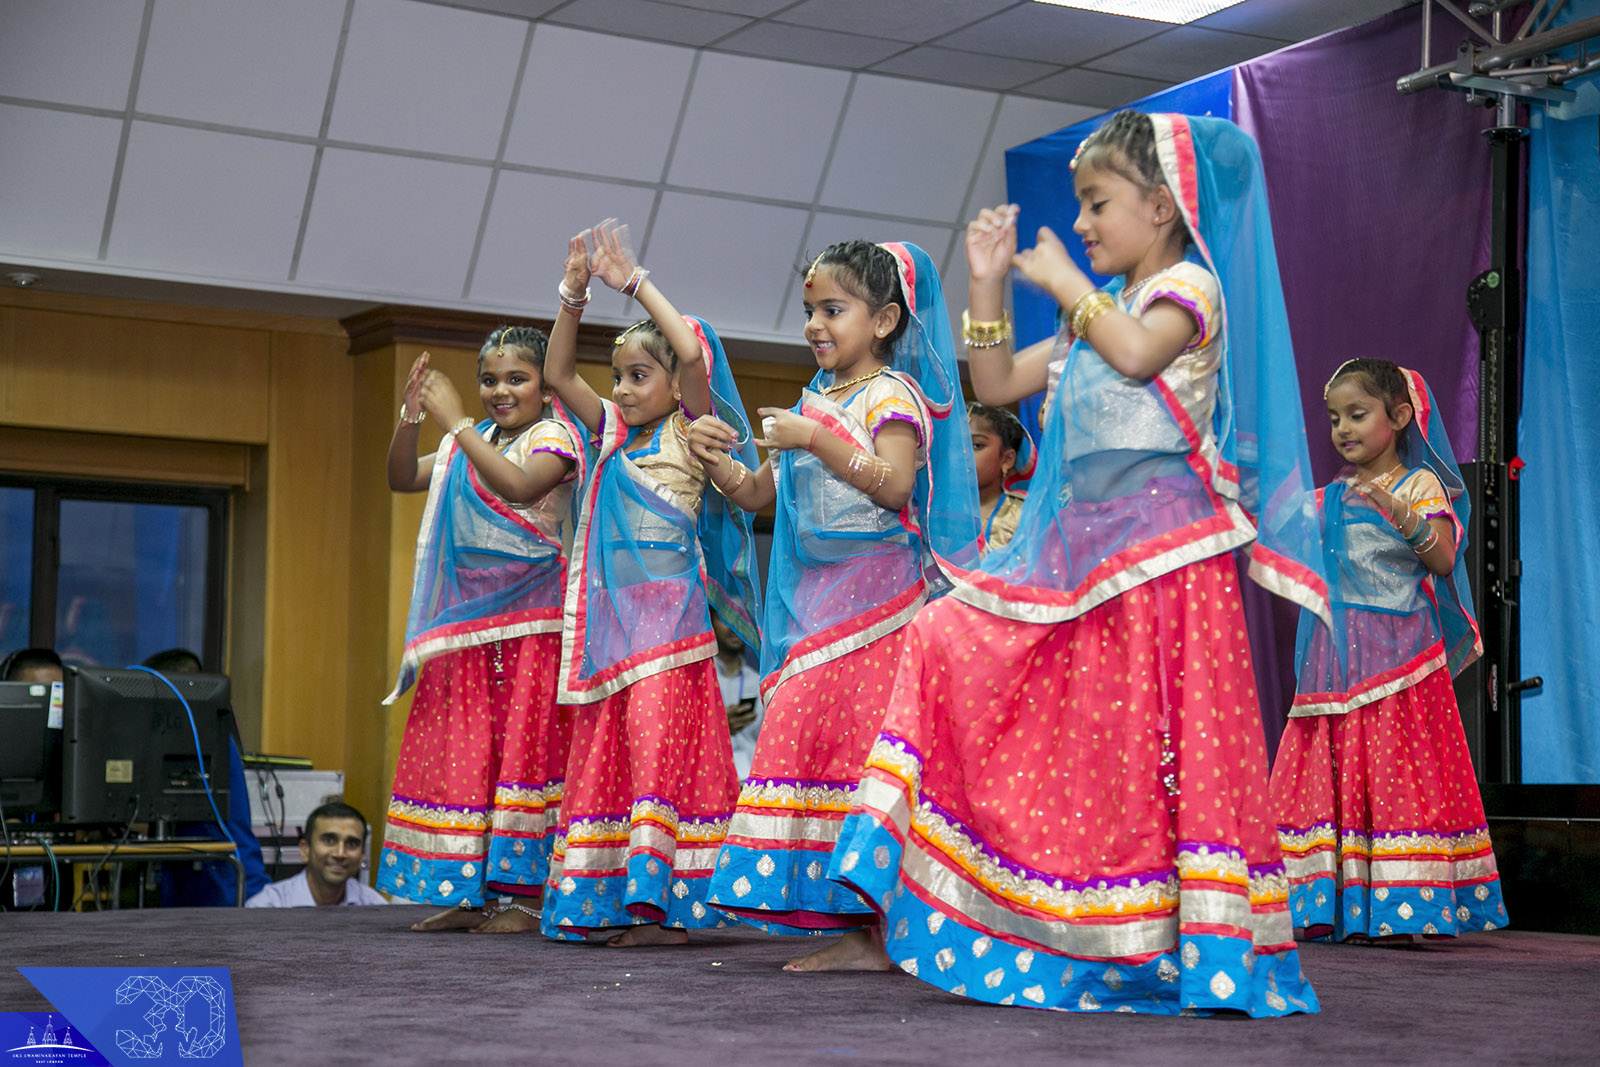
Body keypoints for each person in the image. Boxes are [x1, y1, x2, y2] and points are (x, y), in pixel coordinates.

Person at [829, 113, 1331, 1014]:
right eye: (1081, 208)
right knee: (963, 642)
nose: (1086, 224)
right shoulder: (1088, 324)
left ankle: (1193, 945)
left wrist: (1067, 283)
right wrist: (987, 281)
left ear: (1165, 205)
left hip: (1168, 566)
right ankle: (1082, 926)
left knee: (1157, 748)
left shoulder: (1188, 290)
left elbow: (1140, 355)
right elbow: (991, 386)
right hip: (1086, 562)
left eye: (1099, 204)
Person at [687, 240, 980, 971]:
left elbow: (895, 486)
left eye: (834, 309)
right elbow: (760, 496)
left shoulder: (890, 396)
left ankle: (881, 930)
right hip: (818, 612)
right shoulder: (814, 396)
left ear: (883, 320)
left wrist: (814, 438)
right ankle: (853, 922)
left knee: (863, 760)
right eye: (810, 310)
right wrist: (714, 460)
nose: (816, 324)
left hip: (880, 611)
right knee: (817, 751)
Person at [539, 220, 760, 946]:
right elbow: (558, 375)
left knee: (662, 757)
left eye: (640, 375)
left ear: (674, 385)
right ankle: (617, 899)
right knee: (617, 759)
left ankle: (665, 912)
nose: (623, 389)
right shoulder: (612, 435)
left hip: (668, 633)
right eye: (620, 375)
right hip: (615, 637)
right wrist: (573, 293)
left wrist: (633, 282)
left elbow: (692, 349)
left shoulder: (690, 429)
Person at [1271, 358, 1506, 942]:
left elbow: (1446, 561)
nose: (1344, 429)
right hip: (1334, 658)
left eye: (1358, 413)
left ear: (1399, 417)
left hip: (1400, 658)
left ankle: (1408, 900)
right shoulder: (1327, 499)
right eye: (1334, 419)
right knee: (1334, 768)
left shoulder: (1418, 485)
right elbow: (1279, 542)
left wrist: (1401, 512)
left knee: (1396, 768)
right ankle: (1322, 901)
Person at [378, 325, 586, 933]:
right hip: (471, 634)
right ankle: (472, 894)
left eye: (517, 378)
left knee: (524, 758)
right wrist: (412, 417)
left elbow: (519, 487)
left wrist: (456, 423)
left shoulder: (555, 437)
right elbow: (399, 478)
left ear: (546, 389)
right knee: (473, 757)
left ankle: (523, 900)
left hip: (533, 631)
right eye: (490, 380)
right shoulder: (472, 441)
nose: (501, 390)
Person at [140, 648, 271, 906]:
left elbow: (161, 809)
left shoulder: (202, 735)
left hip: (226, 881)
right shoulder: (193, 732)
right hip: (201, 876)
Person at [246, 801, 387, 907]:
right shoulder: (268, 907)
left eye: (351, 844)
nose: (340, 853)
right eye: (329, 841)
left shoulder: (374, 908)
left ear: (362, 854)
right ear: (305, 849)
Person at [967, 401, 1034, 556]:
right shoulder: (931, 514)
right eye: (956, 445)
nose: (963, 453)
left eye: (976, 445)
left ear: (1007, 459)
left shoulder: (1026, 513)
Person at [711, 609, 763, 781]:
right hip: (712, 782)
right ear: (710, 623)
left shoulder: (758, 682)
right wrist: (717, 727)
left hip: (752, 783)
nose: (734, 626)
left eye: (740, 619)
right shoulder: (700, 681)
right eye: (726, 618)